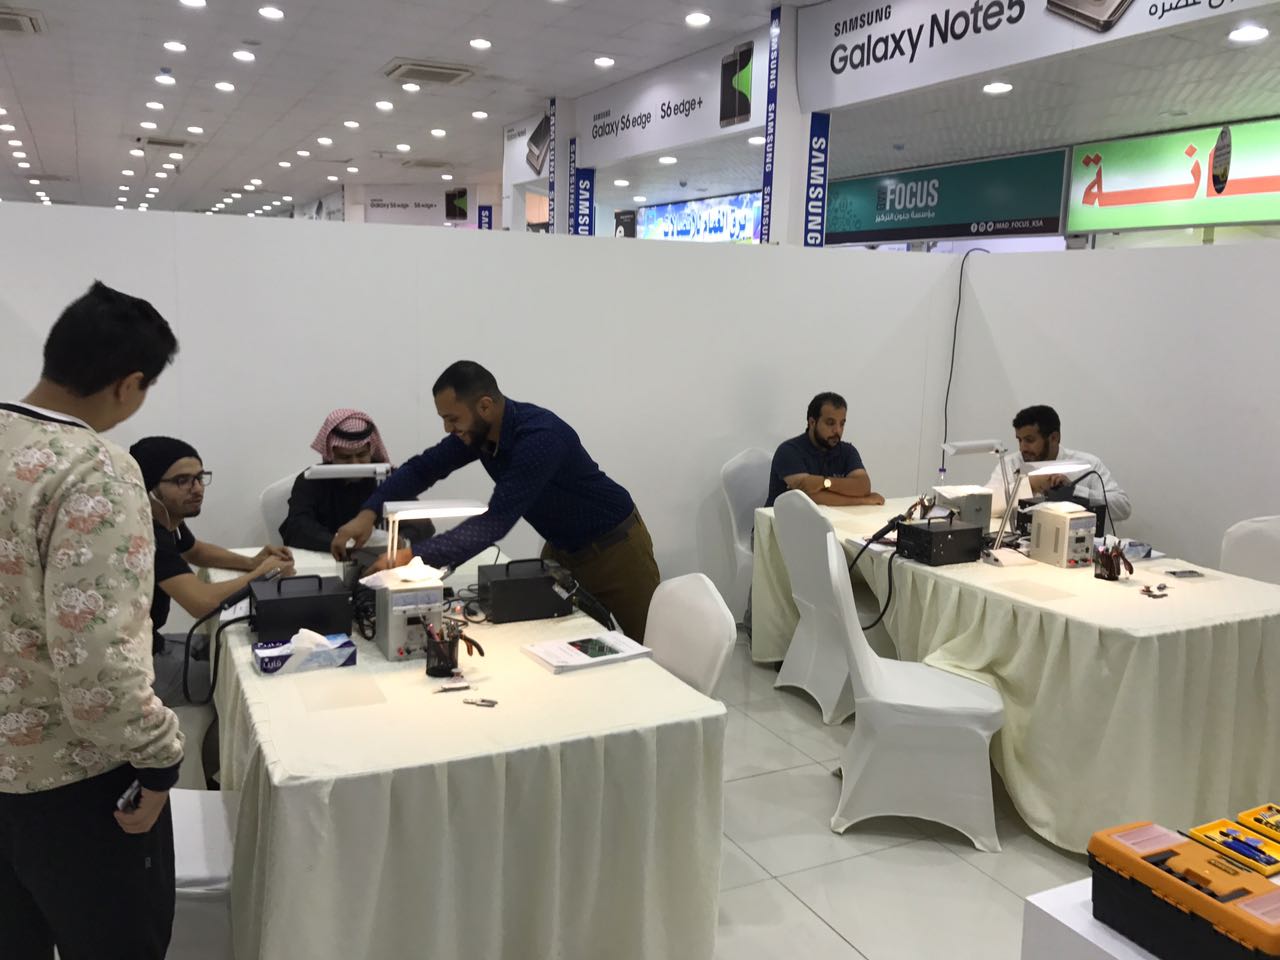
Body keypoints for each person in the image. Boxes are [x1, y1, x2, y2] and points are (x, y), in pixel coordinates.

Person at [0, 281, 186, 959]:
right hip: (76, 784)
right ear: (129, 384)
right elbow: (99, 666)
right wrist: (161, 760)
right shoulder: (96, 469)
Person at [331, 361, 661, 641]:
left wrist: (411, 557)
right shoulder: (478, 432)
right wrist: (368, 512)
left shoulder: (540, 438)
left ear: (485, 406)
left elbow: (495, 522)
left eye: (452, 418)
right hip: (562, 551)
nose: (447, 428)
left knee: (651, 650)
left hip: (616, 551)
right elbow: (423, 468)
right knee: (558, 640)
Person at [128, 436, 294, 705]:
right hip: (137, 670)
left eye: (199, 477)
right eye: (182, 481)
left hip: (151, 643)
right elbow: (201, 602)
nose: (197, 489)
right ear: (150, 488)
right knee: (249, 681)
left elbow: (195, 551)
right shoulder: (146, 534)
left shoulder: (165, 518)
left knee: (234, 646)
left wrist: (252, 562)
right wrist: (263, 574)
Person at [279, 409, 434, 552]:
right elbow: (297, 528)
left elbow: (422, 524)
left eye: (361, 455)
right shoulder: (311, 480)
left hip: (381, 560)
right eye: (345, 457)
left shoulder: (386, 477)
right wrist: (340, 543)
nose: (355, 463)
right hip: (328, 557)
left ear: (371, 450)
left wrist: (399, 540)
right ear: (331, 454)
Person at [985, 404, 1132, 521]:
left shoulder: (1087, 464)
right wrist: (1029, 485)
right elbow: (985, 505)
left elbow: (1123, 507)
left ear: (1054, 438)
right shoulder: (1010, 464)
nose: (1022, 448)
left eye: (1029, 440)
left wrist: (1074, 491)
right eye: (1019, 440)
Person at [765, 392, 885, 508]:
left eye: (842, 424)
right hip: (781, 520)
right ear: (812, 423)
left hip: (831, 519)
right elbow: (808, 498)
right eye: (830, 423)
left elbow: (862, 486)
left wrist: (823, 482)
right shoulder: (789, 451)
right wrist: (863, 500)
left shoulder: (847, 451)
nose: (837, 430)